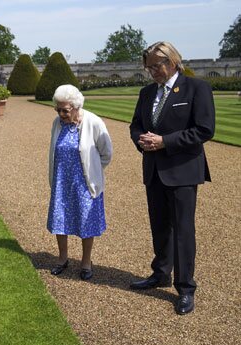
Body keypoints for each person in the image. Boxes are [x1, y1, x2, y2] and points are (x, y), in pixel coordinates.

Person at [128, 41, 215, 315]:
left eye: (158, 65)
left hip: (182, 169)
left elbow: (204, 129)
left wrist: (165, 141)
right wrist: (141, 140)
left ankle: (186, 288)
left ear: (173, 61)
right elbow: (136, 125)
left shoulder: (196, 88)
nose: (153, 71)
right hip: (153, 169)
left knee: (183, 231)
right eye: (149, 67)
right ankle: (161, 273)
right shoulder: (146, 93)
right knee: (160, 226)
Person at [47, 84, 113, 281]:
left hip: (84, 183)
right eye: (58, 109)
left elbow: (106, 153)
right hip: (61, 182)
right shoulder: (57, 124)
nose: (61, 114)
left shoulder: (93, 122)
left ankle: (86, 262)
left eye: (65, 110)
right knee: (60, 221)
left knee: (86, 222)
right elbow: (53, 152)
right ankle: (62, 258)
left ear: (76, 107)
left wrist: (93, 170)